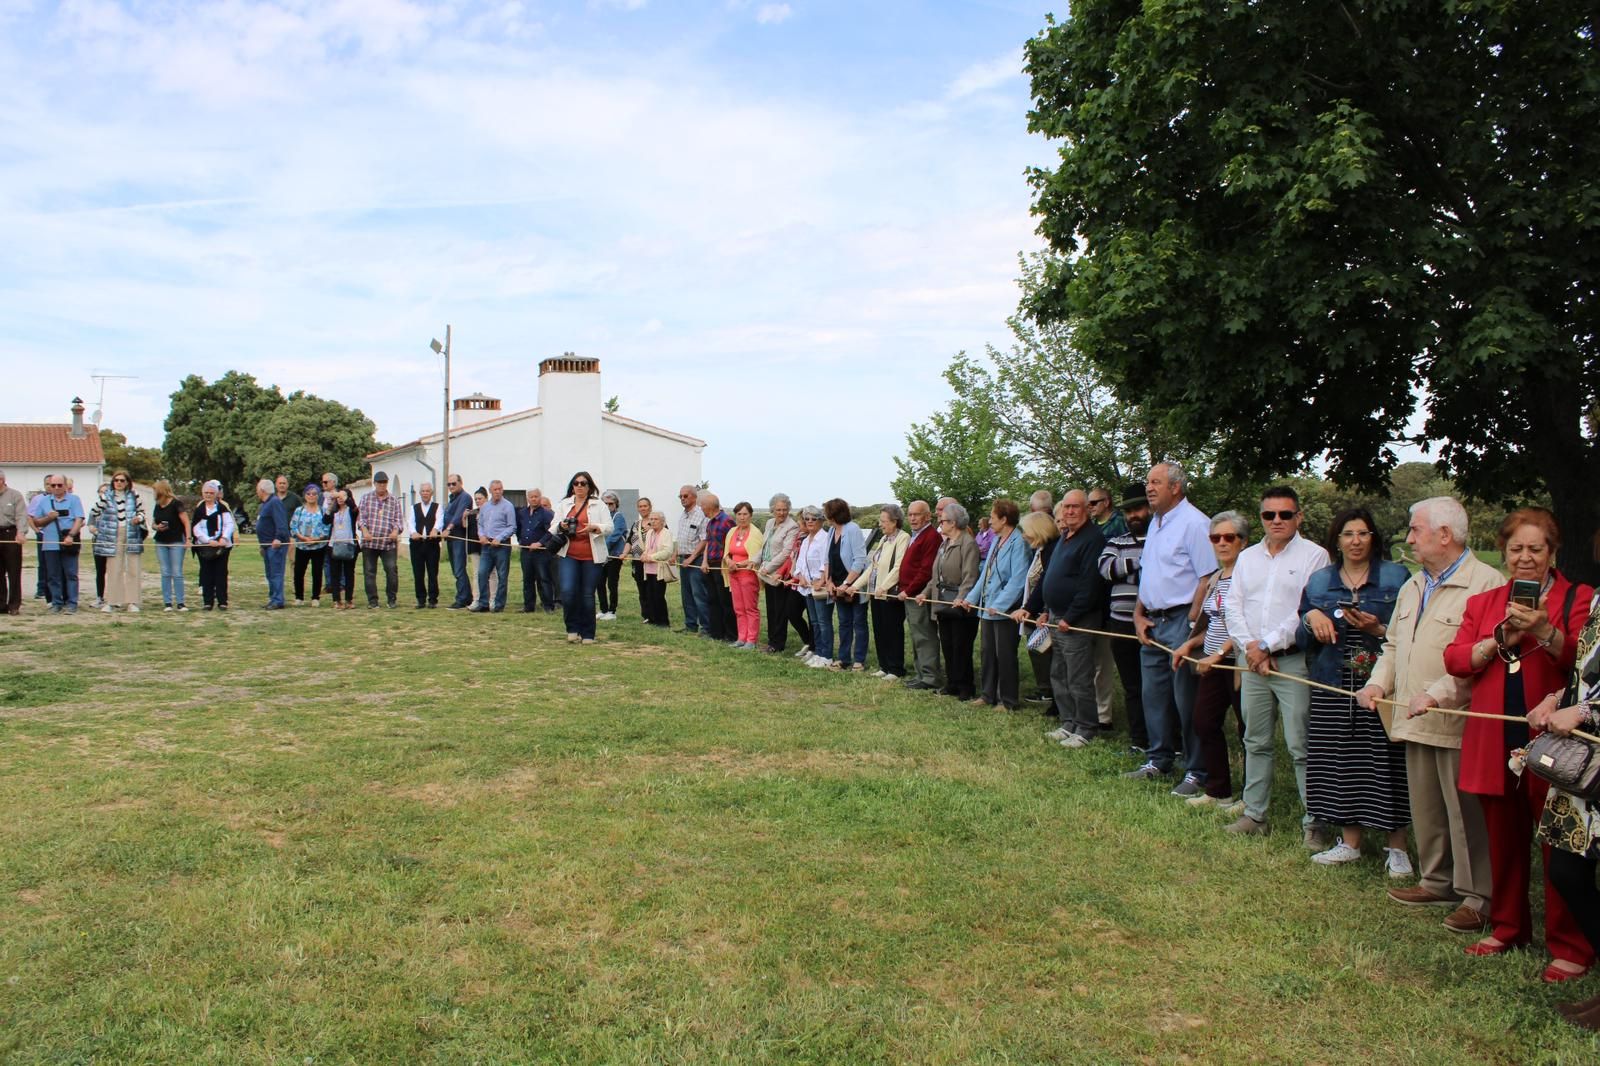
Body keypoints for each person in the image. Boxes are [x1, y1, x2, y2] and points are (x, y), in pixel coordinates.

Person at [1444, 508, 1593, 979]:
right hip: (1495, 734)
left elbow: (1583, 663)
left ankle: (1568, 943)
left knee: (1557, 842)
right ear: (1504, 552)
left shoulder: (1580, 599)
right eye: (1516, 549)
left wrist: (1545, 630)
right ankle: (1508, 926)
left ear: (1553, 553)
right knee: (1502, 839)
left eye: (1535, 549)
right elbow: (1456, 660)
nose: (1525, 558)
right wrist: (1497, 639)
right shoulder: (1485, 602)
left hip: (1553, 740)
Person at [1357, 497, 1502, 935]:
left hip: (1458, 721)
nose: (1409, 537)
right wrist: (1378, 683)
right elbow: (1395, 646)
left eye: (1416, 529)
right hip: (1411, 717)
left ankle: (1478, 897)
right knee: (1427, 807)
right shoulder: (1415, 585)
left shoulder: (1487, 583)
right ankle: (1436, 880)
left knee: (1465, 813)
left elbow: (1482, 661)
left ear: (1445, 534)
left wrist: (1437, 696)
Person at [1299, 507, 1413, 871]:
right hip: (1333, 683)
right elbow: (1304, 636)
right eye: (1348, 534)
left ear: (1373, 538)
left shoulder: (1396, 577)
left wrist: (1377, 629)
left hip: (1381, 684)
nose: (1356, 541)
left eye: (1363, 533)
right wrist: (1310, 617)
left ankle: (1397, 849)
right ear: (1337, 540)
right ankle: (1350, 842)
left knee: (1388, 765)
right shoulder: (1319, 581)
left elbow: (1409, 634)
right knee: (1340, 764)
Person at [1222, 485, 1331, 835]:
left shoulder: (1314, 556)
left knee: (1300, 744)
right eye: (1269, 515)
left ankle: (1314, 821)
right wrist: (1252, 648)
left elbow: (1306, 610)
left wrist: (1266, 646)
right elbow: (1233, 606)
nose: (1277, 520)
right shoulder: (1248, 557)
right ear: (1261, 518)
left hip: (1292, 660)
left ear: (1298, 517)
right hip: (1253, 662)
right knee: (1255, 740)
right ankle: (1255, 815)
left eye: (1285, 514)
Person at [1530, 591, 1600, 1024]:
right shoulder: (1598, 602)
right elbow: (1589, 671)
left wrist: (1586, 712)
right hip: (1587, 766)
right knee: (1566, 872)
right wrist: (1558, 698)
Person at [1130, 463, 1218, 787]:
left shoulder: (1195, 523)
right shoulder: (1156, 523)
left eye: (1156, 482)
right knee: (1153, 696)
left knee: (1187, 700)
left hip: (1182, 620)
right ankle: (1158, 759)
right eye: (1147, 482)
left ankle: (1197, 770)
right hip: (1153, 622)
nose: (1149, 488)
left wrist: (1193, 623)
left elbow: (1207, 577)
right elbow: (1148, 574)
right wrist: (1138, 615)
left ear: (1176, 487)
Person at [1169, 511, 1246, 805]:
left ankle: (1248, 797)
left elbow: (1245, 625)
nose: (1222, 543)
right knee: (1203, 721)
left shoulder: (1246, 576)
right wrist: (1191, 646)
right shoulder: (1216, 577)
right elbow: (1214, 623)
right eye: (1216, 538)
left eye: (1230, 537)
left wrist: (1218, 654)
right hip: (1212, 662)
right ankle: (1218, 790)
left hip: (1236, 663)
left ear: (1243, 541)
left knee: (1245, 728)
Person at [1034, 490, 1108, 741]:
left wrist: (1072, 616)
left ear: (1086, 508)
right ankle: (1068, 722)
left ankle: (1086, 727)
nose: (1069, 512)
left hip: (1076, 620)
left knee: (1079, 676)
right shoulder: (1065, 536)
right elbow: (1050, 576)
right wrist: (1045, 610)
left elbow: (1090, 584)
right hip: (1055, 616)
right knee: (1059, 672)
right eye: (1066, 507)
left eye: (1075, 507)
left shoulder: (1093, 539)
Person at [1098, 484, 1153, 751]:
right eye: (1129, 510)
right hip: (1120, 621)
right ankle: (1139, 739)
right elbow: (1106, 569)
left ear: (1150, 509)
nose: (1134, 515)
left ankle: (1167, 740)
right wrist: (1141, 562)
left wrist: (1128, 567)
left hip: (1153, 622)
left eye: (1138, 509)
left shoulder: (1159, 539)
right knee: (1132, 684)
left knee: (1155, 685)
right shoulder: (1116, 541)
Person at [923, 504, 980, 699]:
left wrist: (961, 598)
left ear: (954, 523)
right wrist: (926, 592)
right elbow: (935, 575)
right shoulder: (944, 543)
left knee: (961, 645)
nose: (939, 523)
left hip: (959, 603)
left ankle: (966, 686)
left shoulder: (968, 543)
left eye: (943, 520)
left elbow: (970, 576)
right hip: (943, 600)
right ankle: (952, 683)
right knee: (947, 643)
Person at [850, 504, 911, 678]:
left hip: (889, 593)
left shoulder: (903, 538)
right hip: (875, 593)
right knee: (879, 629)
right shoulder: (884, 539)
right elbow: (872, 567)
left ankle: (896, 668)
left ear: (895, 521)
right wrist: (855, 585)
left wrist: (884, 586)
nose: (880, 524)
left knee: (892, 630)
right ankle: (884, 666)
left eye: (883, 521)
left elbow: (899, 567)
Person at [553, 471, 611, 644]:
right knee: (568, 591)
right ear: (572, 486)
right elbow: (552, 527)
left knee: (587, 594)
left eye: (583, 483)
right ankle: (572, 628)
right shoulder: (564, 504)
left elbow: (610, 527)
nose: (579, 486)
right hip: (568, 554)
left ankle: (588, 633)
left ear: (589, 486)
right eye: (576, 483)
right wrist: (561, 525)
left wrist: (595, 527)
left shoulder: (598, 505)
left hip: (591, 556)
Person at [1018, 508, 1062, 720]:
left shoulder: (1052, 550)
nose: (1025, 536)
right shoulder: (1042, 550)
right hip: (1044, 611)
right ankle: (1056, 702)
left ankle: (1059, 705)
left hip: (1053, 612)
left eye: (1027, 531)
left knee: (1057, 663)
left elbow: (1045, 582)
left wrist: (1033, 608)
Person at [898, 500, 943, 692]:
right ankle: (921, 674)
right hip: (909, 594)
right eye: (910, 514)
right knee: (917, 636)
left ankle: (930, 676)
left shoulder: (931, 537)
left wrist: (909, 590)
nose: (912, 518)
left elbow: (926, 571)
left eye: (917, 514)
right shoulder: (916, 536)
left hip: (919, 595)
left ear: (927, 516)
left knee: (925, 636)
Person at [87, 470, 146, 613]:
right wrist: (97, 527)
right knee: (114, 569)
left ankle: (133, 602)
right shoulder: (106, 496)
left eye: (122, 480)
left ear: (127, 482)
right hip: (112, 535)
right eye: (116, 480)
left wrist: (139, 518)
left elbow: (142, 512)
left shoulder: (134, 495)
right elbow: (93, 512)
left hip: (131, 533)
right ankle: (112, 601)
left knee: (133, 568)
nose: (119, 483)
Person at [757, 493, 810, 655]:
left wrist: (770, 568)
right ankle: (771, 641)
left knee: (780, 611)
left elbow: (787, 552)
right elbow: (764, 547)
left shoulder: (792, 526)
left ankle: (778, 643)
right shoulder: (769, 523)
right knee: (771, 609)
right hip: (767, 572)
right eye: (778, 509)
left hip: (781, 573)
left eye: (785, 509)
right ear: (772, 509)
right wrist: (755, 561)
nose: (781, 513)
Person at [29, 473, 85, 614]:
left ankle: (72, 603)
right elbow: (36, 521)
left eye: (59, 485)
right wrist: (49, 517)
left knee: (71, 573)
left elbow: (79, 519)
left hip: (68, 542)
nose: (56, 488)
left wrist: (71, 535)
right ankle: (56, 602)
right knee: (53, 575)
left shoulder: (74, 500)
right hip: (50, 543)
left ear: (65, 486)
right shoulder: (44, 501)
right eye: (53, 485)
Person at [824, 499, 869, 671]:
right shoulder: (831, 531)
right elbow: (827, 558)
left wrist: (847, 583)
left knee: (859, 622)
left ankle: (859, 659)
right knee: (844, 623)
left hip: (853, 584)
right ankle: (844, 658)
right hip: (837, 585)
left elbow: (859, 560)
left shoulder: (853, 529)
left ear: (834, 514)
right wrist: (828, 581)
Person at [793, 505, 835, 668]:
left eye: (813, 518)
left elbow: (826, 562)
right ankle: (817, 652)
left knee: (824, 622)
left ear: (821, 521)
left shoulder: (824, 538)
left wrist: (822, 580)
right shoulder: (805, 540)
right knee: (815, 621)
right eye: (806, 519)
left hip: (820, 587)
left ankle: (827, 655)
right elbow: (801, 562)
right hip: (807, 587)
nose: (809, 522)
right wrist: (801, 576)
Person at [357, 472, 404, 609]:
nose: (382, 485)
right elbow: (361, 519)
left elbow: (399, 520)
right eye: (379, 482)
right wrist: (365, 531)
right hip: (369, 543)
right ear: (375, 484)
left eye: (384, 482)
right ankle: (373, 601)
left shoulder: (394, 500)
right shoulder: (366, 498)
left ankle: (392, 599)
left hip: (388, 544)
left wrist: (395, 531)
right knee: (369, 571)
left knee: (391, 570)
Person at [470, 480, 516, 613]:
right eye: (495, 489)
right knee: (482, 573)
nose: (498, 491)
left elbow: (512, 526)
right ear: (490, 491)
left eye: (500, 489)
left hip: (502, 546)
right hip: (487, 546)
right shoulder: (485, 507)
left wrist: (499, 538)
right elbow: (481, 525)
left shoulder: (508, 506)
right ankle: (483, 602)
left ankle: (498, 604)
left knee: (502, 575)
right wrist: (481, 536)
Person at [723, 501, 765, 648]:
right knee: (738, 608)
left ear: (751, 515)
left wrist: (740, 564)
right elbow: (727, 553)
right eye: (739, 514)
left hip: (748, 574)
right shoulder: (732, 532)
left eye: (745, 514)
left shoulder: (755, 534)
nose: (742, 517)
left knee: (750, 608)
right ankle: (741, 637)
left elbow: (758, 557)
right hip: (733, 574)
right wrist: (729, 562)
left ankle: (751, 640)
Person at [190, 480, 234, 611]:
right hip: (205, 546)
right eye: (206, 493)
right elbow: (196, 528)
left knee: (221, 573)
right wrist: (208, 540)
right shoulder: (199, 510)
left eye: (211, 493)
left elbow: (229, 524)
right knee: (206, 573)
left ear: (216, 494)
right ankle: (207, 602)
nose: (208, 495)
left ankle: (222, 601)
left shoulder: (222, 508)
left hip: (221, 546)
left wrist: (223, 538)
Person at [699, 493, 735, 642]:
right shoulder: (710, 523)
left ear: (708, 506)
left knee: (725, 600)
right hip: (710, 564)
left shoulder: (727, 521)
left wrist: (726, 564)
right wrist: (704, 561)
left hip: (722, 565)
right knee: (712, 599)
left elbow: (731, 544)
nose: (701, 509)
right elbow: (708, 543)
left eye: (702, 506)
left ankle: (730, 634)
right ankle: (716, 632)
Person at [150, 480, 190, 612]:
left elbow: (186, 522)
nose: (154, 493)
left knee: (177, 572)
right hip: (161, 541)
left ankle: (180, 602)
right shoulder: (157, 505)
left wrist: (188, 539)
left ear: (161, 491)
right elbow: (153, 523)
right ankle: (167, 602)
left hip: (176, 540)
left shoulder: (176, 504)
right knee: (165, 572)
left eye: (155, 490)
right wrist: (157, 527)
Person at [439, 473, 476, 610]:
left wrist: (448, 528)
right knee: (456, 569)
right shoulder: (452, 499)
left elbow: (458, 515)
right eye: (449, 484)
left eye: (454, 483)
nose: (451, 486)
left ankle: (462, 599)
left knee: (459, 568)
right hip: (451, 538)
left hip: (459, 537)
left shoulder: (465, 497)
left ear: (461, 483)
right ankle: (466, 596)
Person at [675, 485, 708, 635]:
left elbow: (704, 539)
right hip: (683, 559)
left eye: (685, 496)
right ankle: (690, 625)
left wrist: (693, 557)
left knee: (698, 594)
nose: (682, 499)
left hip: (695, 560)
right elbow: (681, 538)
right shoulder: (683, 515)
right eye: (680, 496)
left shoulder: (701, 515)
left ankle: (706, 628)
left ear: (694, 497)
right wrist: (675, 553)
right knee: (686, 594)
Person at [517, 488, 556, 613]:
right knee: (527, 579)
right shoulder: (522, 513)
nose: (534, 499)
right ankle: (528, 606)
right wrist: (521, 541)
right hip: (526, 551)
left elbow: (551, 532)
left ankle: (548, 606)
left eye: (536, 496)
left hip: (541, 553)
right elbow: (519, 528)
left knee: (544, 579)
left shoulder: (547, 514)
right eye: (531, 497)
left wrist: (540, 543)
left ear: (540, 497)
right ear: (527, 498)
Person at [253, 477, 289, 610]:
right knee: (270, 573)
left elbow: (281, 522)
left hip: (275, 546)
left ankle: (278, 600)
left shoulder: (274, 502)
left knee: (276, 573)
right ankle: (273, 597)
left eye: (257, 489)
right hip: (267, 546)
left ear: (262, 490)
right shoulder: (265, 504)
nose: (256, 491)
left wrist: (278, 537)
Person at [638, 509, 676, 626]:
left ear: (662, 521)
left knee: (659, 595)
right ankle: (652, 619)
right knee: (649, 595)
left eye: (656, 519)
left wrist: (651, 557)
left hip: (659, 569)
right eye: (651, 519)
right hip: (648, 568)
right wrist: (644, 555)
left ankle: (663, 622)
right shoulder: (649, 533)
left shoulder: (666, 533)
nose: (653, 521)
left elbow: (667, 551)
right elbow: (647, 548)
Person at [408, 481, 442, 609]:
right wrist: (413, 532)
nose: (425, 493)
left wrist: (435, 530)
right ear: (420, 493)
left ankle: (433, 599)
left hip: (432, 544)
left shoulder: (437, 507)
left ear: (431, 493)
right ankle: (420, 599)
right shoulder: (414, 507)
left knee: (433, 572)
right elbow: (410, 523)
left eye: (427, 491)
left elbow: (440, 520)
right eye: (423, 491)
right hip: (417, 545)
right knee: (418, 572)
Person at [290, 486, 326, 606]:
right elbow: (293, 527)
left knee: (317, 572)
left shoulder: (322, 511)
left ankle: (315, 597)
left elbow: (327, 528)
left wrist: (317, 539)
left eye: (314, 494)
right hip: (302, 546)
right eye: (309, 494)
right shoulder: (299, 511)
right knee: (299, 572)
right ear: (305, 495)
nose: (311, 496)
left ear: (318, 496)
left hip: (318, 547)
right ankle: (299, 597)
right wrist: (303, 538)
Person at [597, 491, 628, 621]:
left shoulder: (618, 517)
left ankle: (612, 610)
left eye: (611, 503)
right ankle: (603, 609)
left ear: (616, 504)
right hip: (600, 555)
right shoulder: (600, 518)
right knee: (599, 583)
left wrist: (604, 549)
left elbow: (615, 535)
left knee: (612, 583)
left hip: (614, 555)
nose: (608, 505)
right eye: (605, 503)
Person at [327, 490, 359, 609]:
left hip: (349, 545)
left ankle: (349, 599)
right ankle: (336, 600)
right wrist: (330, 506)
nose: (340, 498)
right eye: (338, 497)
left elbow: (354, 507)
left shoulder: (351, 511)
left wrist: (343, 496)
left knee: (349, 573)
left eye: (343, 496)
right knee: (335, 573)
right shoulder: (334, 511)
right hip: (334, 545)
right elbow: (325, 521)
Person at [0, 470, 25, 616]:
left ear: (2, 480)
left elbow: (21, 515)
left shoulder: (15, 495)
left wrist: (21, 532)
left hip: (11, 534)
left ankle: (14, 604)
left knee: (14, 571)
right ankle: (1, 604)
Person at [628, 497, 653, 616]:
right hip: (637, 561)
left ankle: (654, 614)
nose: (642, 508)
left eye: (645, 506)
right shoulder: (635, 524)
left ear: (650, 507)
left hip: (652, 561)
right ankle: (646, 614)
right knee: (641, 588)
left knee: (652, 588)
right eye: (640, 506)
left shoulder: (656, 521)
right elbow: (629, 541)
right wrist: (624, 553)